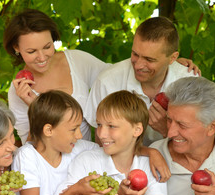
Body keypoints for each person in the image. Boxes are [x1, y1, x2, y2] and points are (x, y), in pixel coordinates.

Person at [3, 9, 199, 145]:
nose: (42, 57)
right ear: (16, 49)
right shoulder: (19, 90)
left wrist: (171, 63)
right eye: (31, 51)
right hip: (47, 164)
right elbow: (28, 145)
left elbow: (120, 73)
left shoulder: (77, 61)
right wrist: (34, 107)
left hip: (84, 154)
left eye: (47, 46)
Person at [85, 16, 200, 146]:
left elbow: (197, 144)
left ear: (172, 58)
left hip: (174, 161)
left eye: (149, 60)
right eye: (135, 54)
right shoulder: (108, 82)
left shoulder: (190, 84)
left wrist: (167, 129)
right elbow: (102, 142)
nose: (138, 65)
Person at [57, 90, 167, 195]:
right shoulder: (86, 161)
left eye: (111, 126)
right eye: (99, 124)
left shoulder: (149, 165)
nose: (101, 134)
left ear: (137, 130)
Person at [11, 90, 112, 195]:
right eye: (73, 129)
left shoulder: (79, 147)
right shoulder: (27, 156)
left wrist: (148, 151)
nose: (79, 135)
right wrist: (74, 191)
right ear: (48, 130)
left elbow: (114, 148)